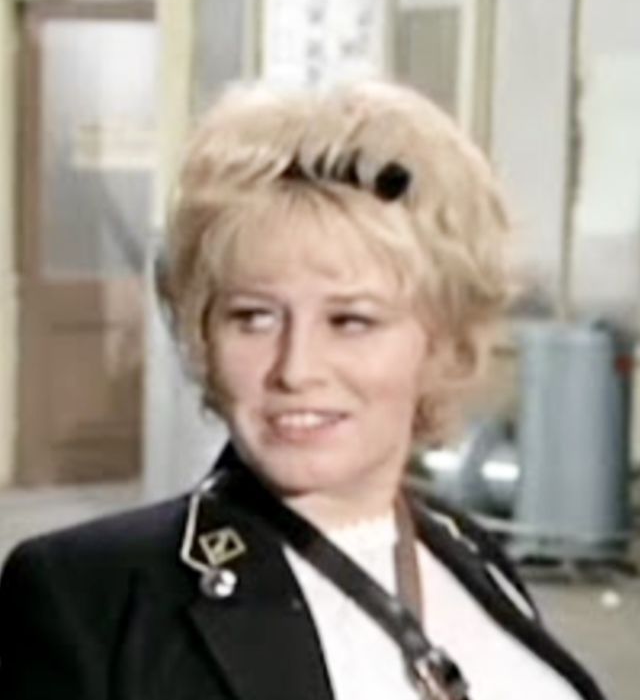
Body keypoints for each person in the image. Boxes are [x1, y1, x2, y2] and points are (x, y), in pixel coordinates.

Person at [0, 80, 606, 700]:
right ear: (204, 335)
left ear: (442, 339)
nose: (296, 368)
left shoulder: (467, 552)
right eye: (254, 317)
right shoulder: (93, 599)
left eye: (351, 321)